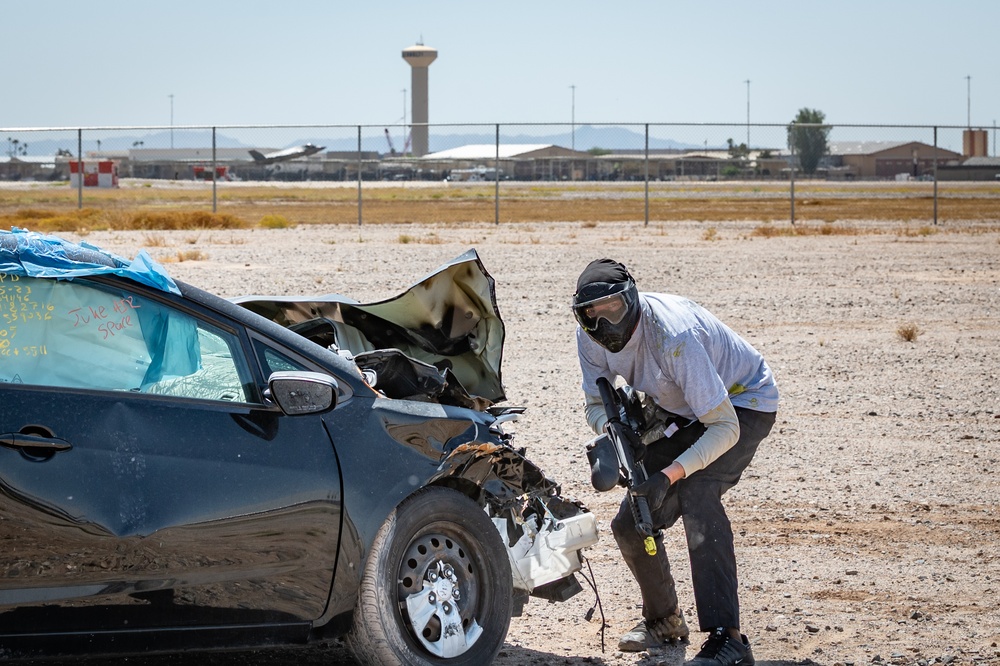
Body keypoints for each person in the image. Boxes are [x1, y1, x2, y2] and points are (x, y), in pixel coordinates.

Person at [573, 258, 778, 666]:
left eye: (612, 308)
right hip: (682, 410)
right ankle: (664, 621)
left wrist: (668, 475)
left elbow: (724, 428)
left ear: (630, 300)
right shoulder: (589, 338)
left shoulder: (673, 335)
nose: (603, 325)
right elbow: (596, 403)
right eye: (590, 315)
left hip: (742, 402)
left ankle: (729, 640)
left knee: (699, 492)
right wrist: (615, 432)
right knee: (631, 521)